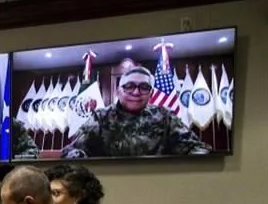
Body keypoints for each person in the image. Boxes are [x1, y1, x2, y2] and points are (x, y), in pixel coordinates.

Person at [62, 66, 210, 158]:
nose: (136, 92)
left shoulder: (165, 117)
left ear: (151, 93)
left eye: (144, 87)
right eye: (129, 86)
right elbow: (71, 151)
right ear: (119, 92)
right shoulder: (101, 117)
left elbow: (197, 148)